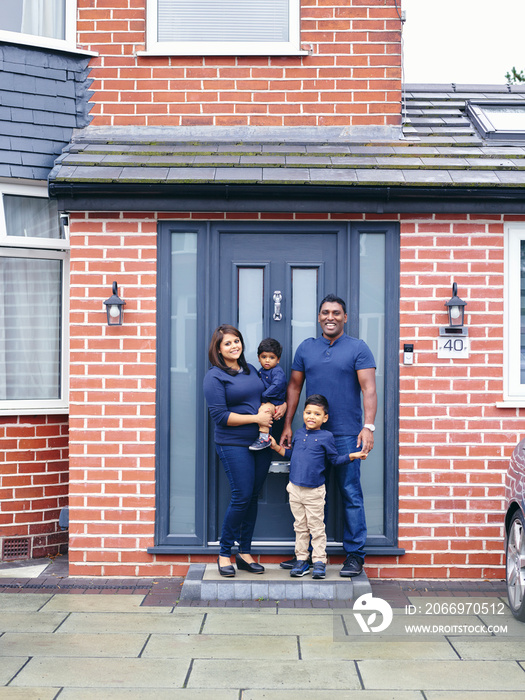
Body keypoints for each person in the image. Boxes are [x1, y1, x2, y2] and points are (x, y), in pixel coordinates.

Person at [280, 294, 377, 578]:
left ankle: (355, 556)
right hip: (311, 436)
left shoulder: (358, 348)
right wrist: (288, 424)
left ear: (345, 318)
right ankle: (305, 556)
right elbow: (294, 388)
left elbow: (369, 389)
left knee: (350, 493)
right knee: (304, 494)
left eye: (336, 313)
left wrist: (368, 427)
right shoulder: (306, 348)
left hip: (348, 433)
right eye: (325, 312)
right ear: (319, 317)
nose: (330, 317)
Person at [203, 324, 285, 577]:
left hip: (260, 443)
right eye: (227, 343)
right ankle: (225, 552)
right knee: (241, 495)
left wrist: (276, 407)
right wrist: (256, 419)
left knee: (251, 496)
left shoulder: (251, 371)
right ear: (218, 349)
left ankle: (245, 552)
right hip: (232, 443)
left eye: (236, 341)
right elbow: (220, 416)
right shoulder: (215, 376)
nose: (234, 346)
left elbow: (263, 400)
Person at [270, 394, 367, 579]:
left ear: (325, 418)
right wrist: (276, 447)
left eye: (316, 413)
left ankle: (320, 561)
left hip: (314, 491)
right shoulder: (298, 433)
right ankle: (301, 560)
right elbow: (291, 455)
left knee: (316, 528)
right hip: (295, 489)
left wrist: (352, 456)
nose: (311, 416)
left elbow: (334, 459)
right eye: (308, 412)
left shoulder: (326, 437)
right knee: (299, 526)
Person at [249, 338, 287, 451]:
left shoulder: (277, 372)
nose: (267, 360)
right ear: (258, 358)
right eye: (264, 357)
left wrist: (264, 396)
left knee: (265, 411)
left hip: (274, 403)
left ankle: (264, 438)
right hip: (266, 401)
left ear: (278, 359)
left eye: (272, 358)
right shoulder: (260, 371)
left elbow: (277, 385)